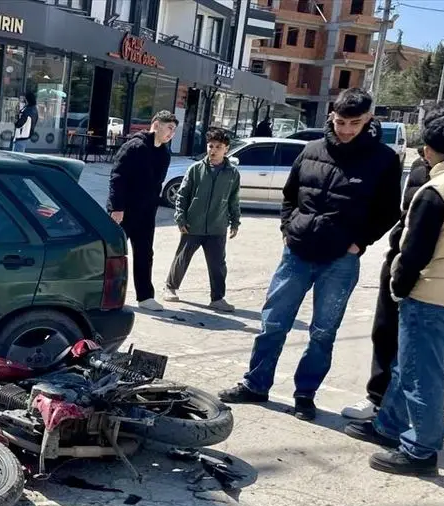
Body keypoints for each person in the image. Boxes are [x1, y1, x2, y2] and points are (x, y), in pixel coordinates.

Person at [218, 88, 402, 421]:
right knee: (272, 323)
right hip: (296, 254)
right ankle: (256, 385)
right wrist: (288, 230)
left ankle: (305, 394)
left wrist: (360, 242)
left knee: (322, 333)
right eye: (341, 121)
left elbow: (389, 211)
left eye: (354, 123)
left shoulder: (384, 160)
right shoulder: (312, 150)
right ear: (331, 115)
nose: (346, 129)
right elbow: (290, 195)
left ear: (369, 119)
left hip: (341, 261)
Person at [342, 104, 444, 476]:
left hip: (429, 295)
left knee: (422, 374)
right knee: (409, 365)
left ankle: (420, 449)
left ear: (426, 151)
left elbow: (414, 253)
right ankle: (389, 426)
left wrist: (398, 287)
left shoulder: (436, 191)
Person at [164, 127, 241, 312]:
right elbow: (182, 196)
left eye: (218, 147)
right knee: (182, 258)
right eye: (210, 146)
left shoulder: (232, 173)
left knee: (218, 264)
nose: (213, 150)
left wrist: (235, 222)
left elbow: (234, 199)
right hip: (193, 224)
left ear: (226, 149)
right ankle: (170, 287)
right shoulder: (195, 169)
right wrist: (180, 218)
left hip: (217, 226)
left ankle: (217, 298)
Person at [107, 111, 179, 311]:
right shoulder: (134, 147)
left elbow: (157, 185)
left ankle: (145, 297)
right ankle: (109, 296)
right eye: (169, 128)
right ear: (156, 125)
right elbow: (117, 178)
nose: (171, 133)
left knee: (145, 254)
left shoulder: (164, 153)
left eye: (174, 130)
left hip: (146, 213)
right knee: (113, 255)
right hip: (124, 211)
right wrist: (117, 208)